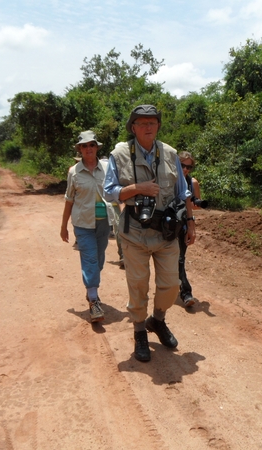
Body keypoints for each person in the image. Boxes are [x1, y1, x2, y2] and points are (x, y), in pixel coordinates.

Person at [104, 105, 196, 362]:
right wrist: (136, 188)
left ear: (158, 126)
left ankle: (157, 320)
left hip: (167, 231)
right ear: (133, 127)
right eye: (142, 123)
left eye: (152, 123)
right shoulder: (120, 154)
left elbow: (182, 192)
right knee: (138, 286)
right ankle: (139, 332)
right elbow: (109, 191)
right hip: (134, 231)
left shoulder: (170, 153)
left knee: (171, 285)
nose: (148, 127)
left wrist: (190, 222)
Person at [61, 130, 114, 323]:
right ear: (80, 149)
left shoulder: (108, 168)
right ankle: (94, 301)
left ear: (96, 147)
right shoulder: (73, 172)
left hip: (103, 222)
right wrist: (63, 226)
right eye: (84, 146)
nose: (88, 148)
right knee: (91, 260)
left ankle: (91, 288)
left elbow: (116, 192)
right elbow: (69, 199)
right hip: (83, 224)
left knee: (98, 260)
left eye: (91, 145)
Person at [178, 151, 203, 307]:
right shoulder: (168, 179)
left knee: (180, 259)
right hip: (165, 224)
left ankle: (186, 293)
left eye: (189, 166)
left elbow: (196, 207)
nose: (186, 169)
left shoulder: (191, 182)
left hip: (183, 224)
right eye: (182, 165)